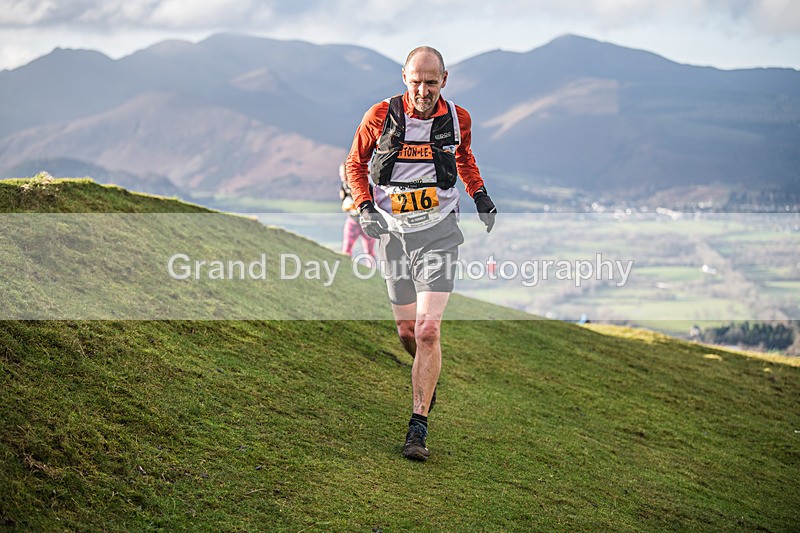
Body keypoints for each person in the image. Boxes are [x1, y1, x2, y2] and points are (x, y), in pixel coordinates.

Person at [345, 45, 497, 461]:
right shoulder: (380, 115)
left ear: (444, 81)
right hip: (393, 234)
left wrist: (479, 194)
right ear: (404, 78)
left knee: (429, 330)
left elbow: (463, 157)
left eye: (432, 82)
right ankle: (427, 376)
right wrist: (363, 206)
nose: (424, 90)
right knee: (408, 334)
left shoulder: (457, 118)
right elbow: (354, 165)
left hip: (440, 231)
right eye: (416, 81)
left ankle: (418, 428)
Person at [338, 163, 376, 260]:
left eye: (344, 173)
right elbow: (343, 203)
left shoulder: (365, 185)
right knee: (347, 247)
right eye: (341, 173)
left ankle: (372, 271)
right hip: (352, 220)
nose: (342, 175)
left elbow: (372, 203)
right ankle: (345, 269)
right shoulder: (344, 186)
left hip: (366, 222)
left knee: (369, 250)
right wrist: (347, 206)